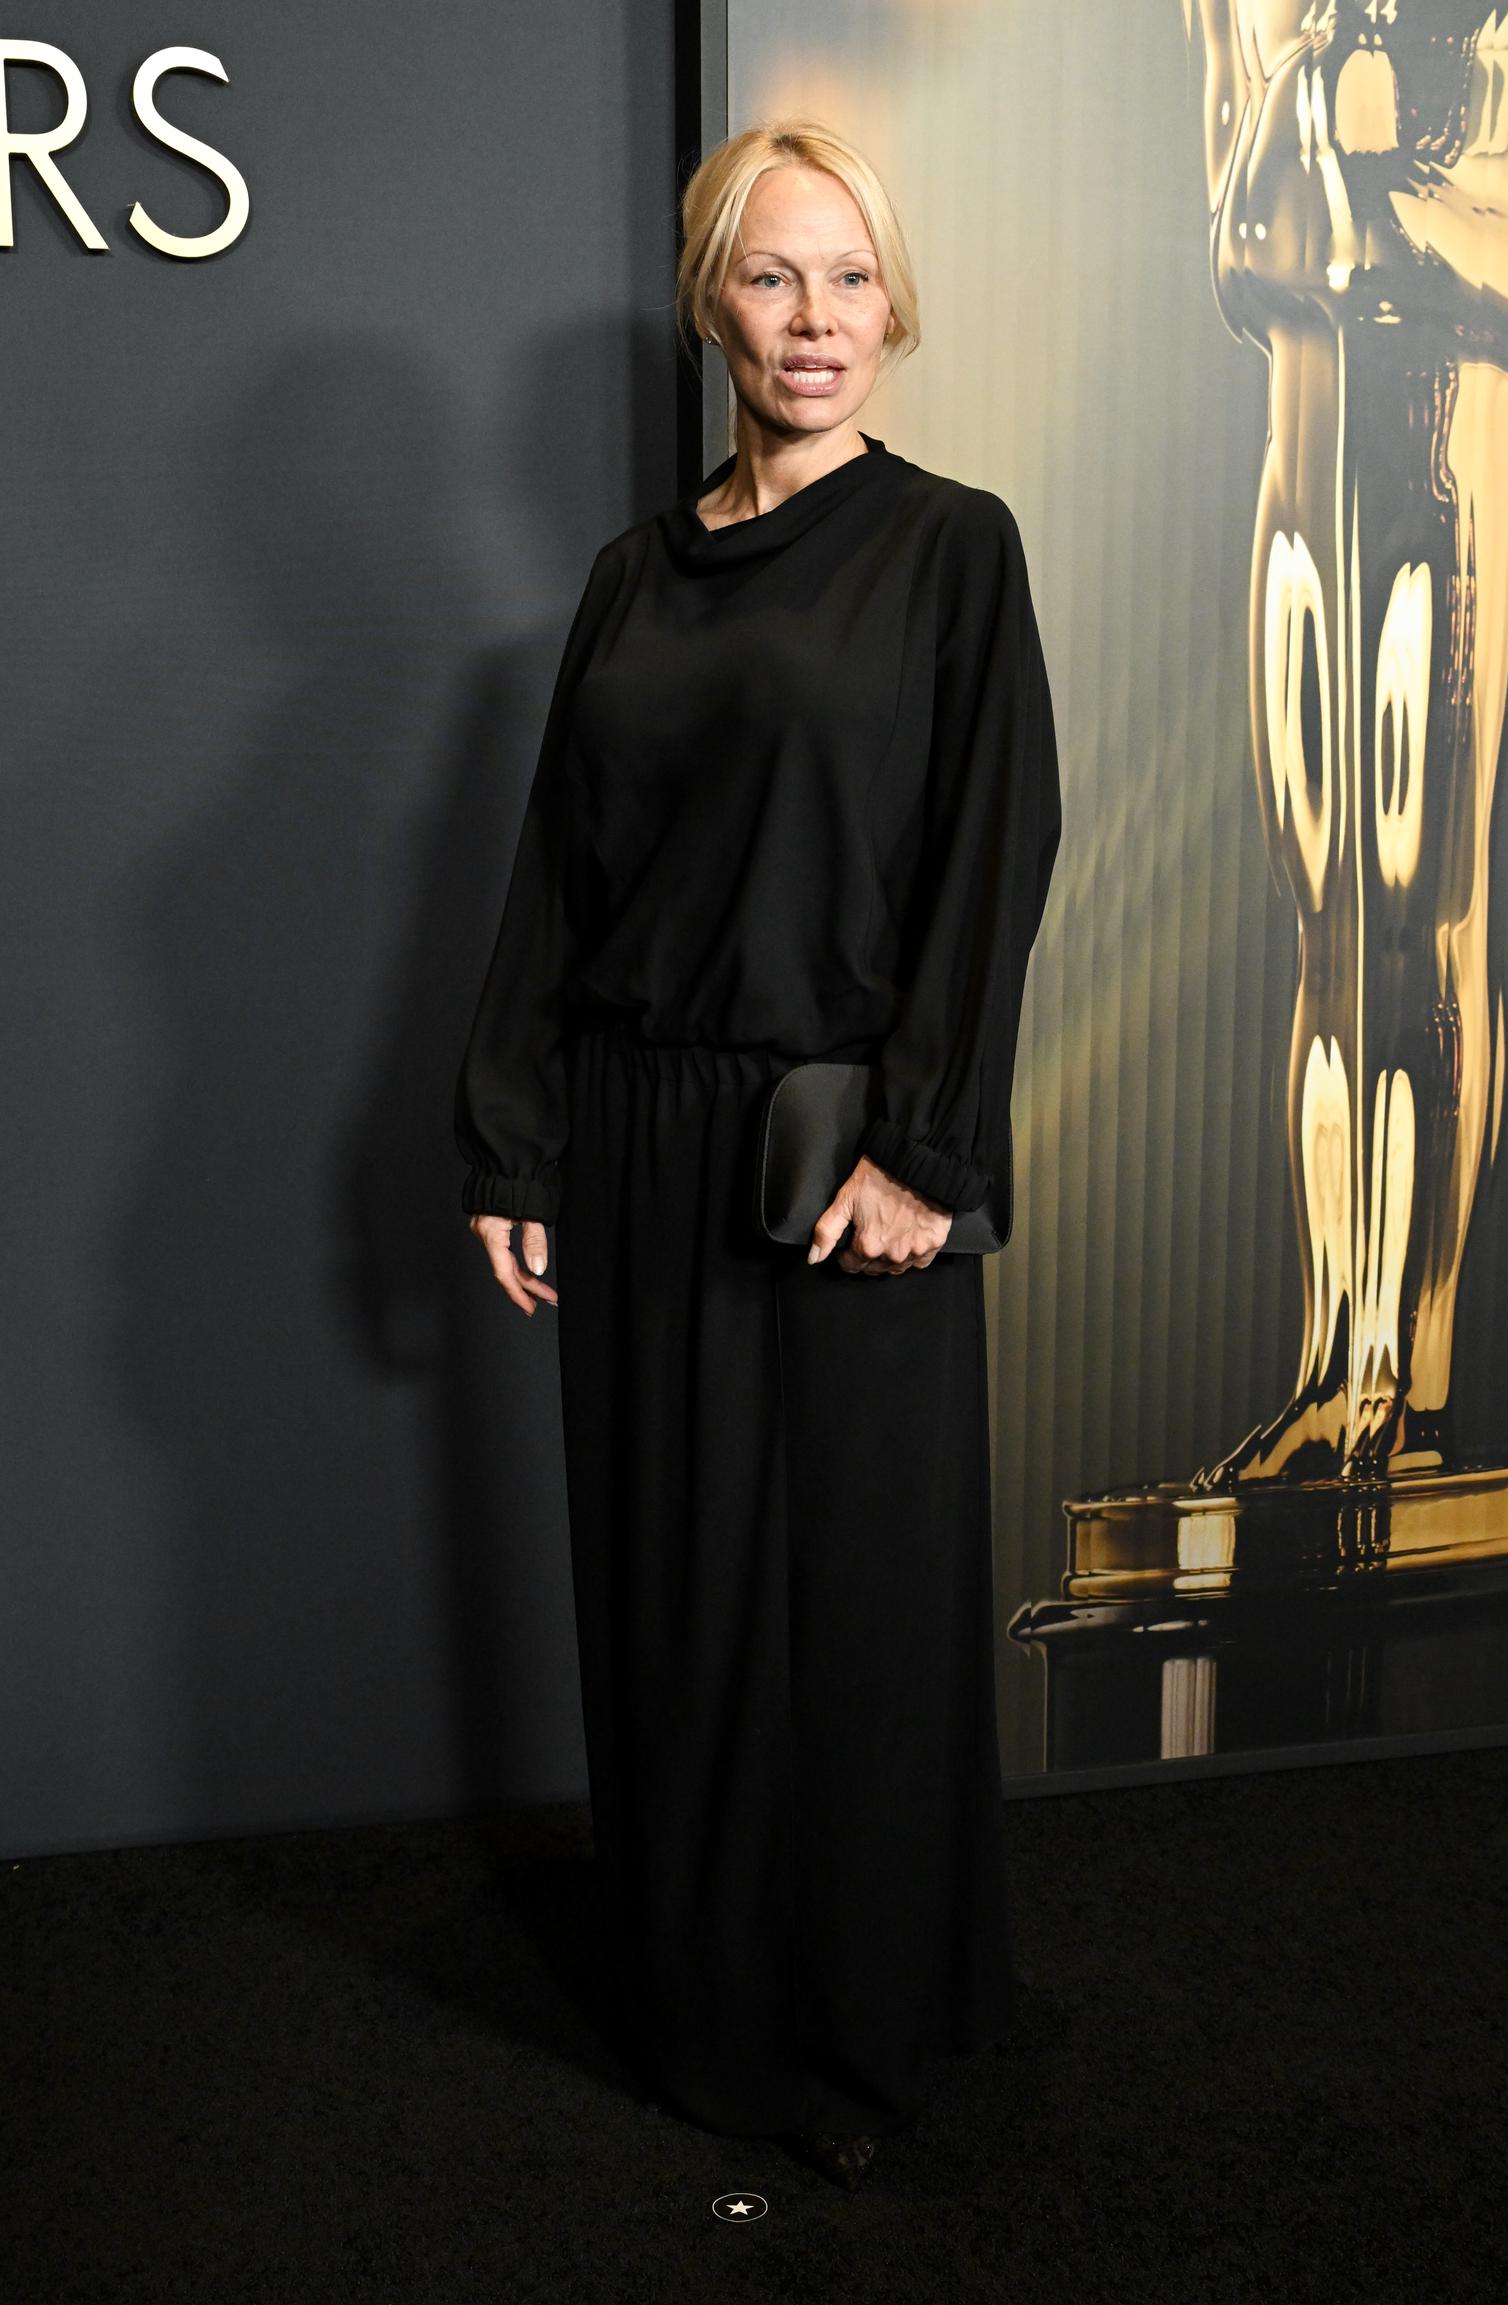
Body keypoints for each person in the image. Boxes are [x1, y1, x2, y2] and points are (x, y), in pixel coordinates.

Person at [454, 117, 1061, 2193]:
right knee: (672, 1601)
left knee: (855, 1620)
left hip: (833, 1160)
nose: (814, 323)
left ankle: (867, 2037)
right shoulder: (635, 571)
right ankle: (701, 2017)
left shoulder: (950, 546)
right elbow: (560, 870)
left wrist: (923, 1150)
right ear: (712, 296)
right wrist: (512, 1141)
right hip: (630, 1150)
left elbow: (995, 860)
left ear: (896, 302)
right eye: (771, 278)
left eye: (849, 279)